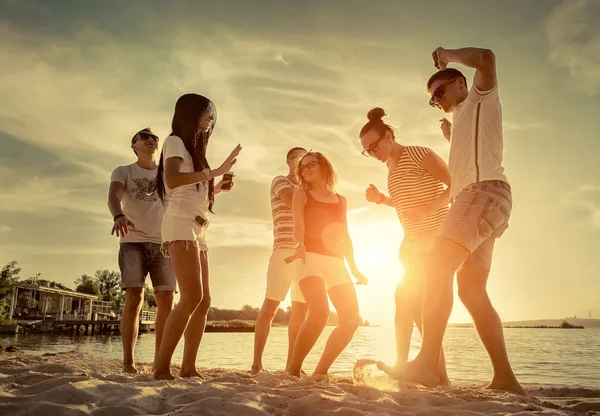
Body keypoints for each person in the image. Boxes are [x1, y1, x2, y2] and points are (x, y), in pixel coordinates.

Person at [388, 46, 525, 395]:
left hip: (482, 194)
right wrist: (453, 137)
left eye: (439, 92)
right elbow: (467, 163)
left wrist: (447, 53)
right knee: (471, 290)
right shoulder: (465, 116)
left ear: (460, 83)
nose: (436, 100)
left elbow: (489, 57)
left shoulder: (481, 96)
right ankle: (506, 380)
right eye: (432, 100)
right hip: (488, 202)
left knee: (435, 268)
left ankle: (427, 364)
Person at [358, 107, 451, 385]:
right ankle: (420, 370)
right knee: (405, 303)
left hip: (436, 238)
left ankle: (429, 372)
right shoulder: (391, 167)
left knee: (418, 305)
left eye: (374, 145)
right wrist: (381, 200)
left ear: (389, 135)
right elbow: (405, 202)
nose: (372, 152)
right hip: (410, 241)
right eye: (366, 150)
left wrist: (429, 209)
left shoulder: (419, 154)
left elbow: (457, 184)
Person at [152, 93, 242, 380]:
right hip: (180, 224)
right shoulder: (174, 141)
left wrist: (217, 188)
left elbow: (191, 193)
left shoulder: (193, 149)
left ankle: (188, 367)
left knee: (203, 300)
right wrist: (214, 171)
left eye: (212, 115)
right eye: (206, 113)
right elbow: (173, 180)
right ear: (190, 113)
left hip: (198, 227)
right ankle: (161, 368)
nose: (211, 119)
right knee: (191, 297)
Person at [285, 151, 368, 377]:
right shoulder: (301, 194)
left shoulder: (341, 201)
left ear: (324, 168)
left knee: (351, 320)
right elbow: (298, 225)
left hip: (336, 262)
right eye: (303, 167)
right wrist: (299, 244)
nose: (307, 169)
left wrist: (354, 268)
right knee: (320, 312)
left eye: (312, 164)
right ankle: (292, 370)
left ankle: (320, 372)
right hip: (307, 257)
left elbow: (345, 236)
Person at [108, 127, 176, 374]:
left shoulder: (167, 173)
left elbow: (188, 194)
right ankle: (128, 362)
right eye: (144, 137)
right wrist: (118, 215)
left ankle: (160, 360)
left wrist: (216, 186)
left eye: (154, 138)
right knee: (134, 298)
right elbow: (113, 196)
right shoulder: (124, 171)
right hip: (132, 241)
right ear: (133, 145)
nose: (150, 140)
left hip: (164, 243)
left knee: (166, 299)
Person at [251, 147, 309, 375]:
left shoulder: (307, 189)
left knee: (300, 309)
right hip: (283, 252)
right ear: (288, 160)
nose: (302, 161)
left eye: (306, 158)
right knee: (270, 307)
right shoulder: (280, 181)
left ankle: (291, 366)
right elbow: (291, 202)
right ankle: (257, 363)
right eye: (298, 157)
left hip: (305, 254)